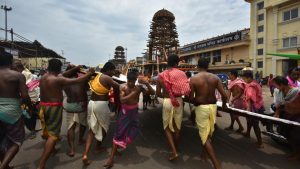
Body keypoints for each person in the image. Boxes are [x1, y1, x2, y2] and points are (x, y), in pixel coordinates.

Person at [37, 59, 94, 169]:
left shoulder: (44, 76)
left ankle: (54, 149)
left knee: (50, 130)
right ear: (58, 68)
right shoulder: (59, 79)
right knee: (53, 135)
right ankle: (41, 164)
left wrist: (75, 68)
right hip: (53, 107)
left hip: (43, 106)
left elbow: (65, 74)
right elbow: (77, 81)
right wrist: (89, 73)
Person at [104, 71, 155, 168]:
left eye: (133, 81)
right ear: (127, 80)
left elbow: (152, 93)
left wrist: (146, 83)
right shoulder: (123, 87)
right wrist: (135, 92)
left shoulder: (138, 87)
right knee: (119, 134)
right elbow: (122, 100)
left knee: (135, 130)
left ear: (135, 80)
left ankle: (118, 146)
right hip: (125, 113)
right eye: (130, 81)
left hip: (134, 112)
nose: (131, 83)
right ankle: (110, 159)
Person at [189, 59, 227, 169]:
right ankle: (204, 155)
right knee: (209, 131)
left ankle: (216, 165)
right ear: (208, 66)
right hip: (213, 107)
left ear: (197, 66)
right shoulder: (215, 78)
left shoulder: (194, 78)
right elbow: (224, 95)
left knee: (204, 135)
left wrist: (195, 101)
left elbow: (191, 98)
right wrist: (224, 105)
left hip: (202, 107)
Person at [0, 51, 33, 169]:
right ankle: (3, 166)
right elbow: (24, 96)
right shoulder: (18, 75)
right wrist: (30, 107)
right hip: (11, 112)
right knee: (17, 140)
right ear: (10, 62)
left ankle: (6, 165)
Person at [82, 62, 119, 165]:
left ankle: (85, 154)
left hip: (91, 104)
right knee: (104, 127)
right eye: (113, 71)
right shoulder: (107, 77)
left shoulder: (98, 76)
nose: (113, 73)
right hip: (101, 105)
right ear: (109, 70)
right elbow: (117, 87)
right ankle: (98, 147)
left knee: (91, 129)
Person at [156, 54, 190, 161]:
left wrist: (167, 96)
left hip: (167, 101)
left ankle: (174, 151)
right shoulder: (182, 74)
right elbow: (186, 91)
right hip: (179, 101)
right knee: (177, 126)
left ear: (167, 63)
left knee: (167, 127)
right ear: (176, 63)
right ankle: (176, 147)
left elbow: (158, 93)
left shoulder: (161, 75)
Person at [63, 65, 89, 157]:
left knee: (71, 127)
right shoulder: (82, 79)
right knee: (83, 123)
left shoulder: (63, 79)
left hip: (70, 105)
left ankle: (72, 149)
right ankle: (80, 139)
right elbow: (87, 88)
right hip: (81, 105)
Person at [272, 76, 300, 160]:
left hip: (297, 116)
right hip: (287, 116)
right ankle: (295, 152)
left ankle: (297, 154)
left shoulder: (296, 91)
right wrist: (276, 113)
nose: (275, 87)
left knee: (295, 135)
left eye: (276, 85)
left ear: (281, 84)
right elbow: (279, 105)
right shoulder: (279, 92)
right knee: (287, 134)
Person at [12, 61, 40, 139]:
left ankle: (33, 130)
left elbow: (28, 86)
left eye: (14, 68)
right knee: (24, 116)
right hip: (21, 98)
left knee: (29, 115)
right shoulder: (18, 74)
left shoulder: (27, 74)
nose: (13, 70)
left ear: (19, 67)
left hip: (29, 98)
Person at [241, 70, 264, 148]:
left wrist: (248, 110)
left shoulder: (251, 86)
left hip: (254, 107)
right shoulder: (256, 83)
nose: (244, 80)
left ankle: (260, 142)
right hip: (259, 105)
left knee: (255, 124)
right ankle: (247, 133)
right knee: (249, 121)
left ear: (248, 78)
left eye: (244, 79)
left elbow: (250, 98)